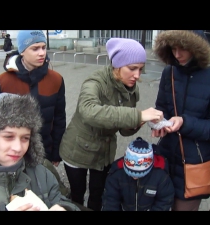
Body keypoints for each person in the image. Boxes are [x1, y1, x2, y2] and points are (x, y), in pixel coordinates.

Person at [59, 37, 164, 211]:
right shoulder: (95, 82)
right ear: (117, 65)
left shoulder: (131, 88)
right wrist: (137, 115)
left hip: (104, 152)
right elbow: (89, 110)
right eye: (132, 69)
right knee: (77, 195)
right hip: (77, 150)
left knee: (98, 194)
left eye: (140, 69)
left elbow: (124, 130)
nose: (137, 75)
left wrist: (141, 121)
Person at [0, 92, 71, 199]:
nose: (18, 148)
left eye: (25, 138)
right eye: (8, 137)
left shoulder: (44, 172)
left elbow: (62, 200)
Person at [151, 30, 210, 211]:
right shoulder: (169, 71)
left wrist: (185, 123)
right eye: (173, 49)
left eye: (183, 48)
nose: (177, 55)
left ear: (196, 47)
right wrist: (157, 123)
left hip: (195, 163)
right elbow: (161, 108)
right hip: (166, 157)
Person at [0, 30, 66, 169]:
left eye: (43, 47)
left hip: (45, 153)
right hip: (13, 155)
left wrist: (56, 151)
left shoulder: (56, 80)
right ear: (22, 51)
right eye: (35, 48)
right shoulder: (2, 82)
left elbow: (59, 118)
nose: (42, 53)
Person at [102, 137, 174, 211]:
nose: (134, 177)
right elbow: (110, 200)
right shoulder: (117, 174)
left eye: (139, 174)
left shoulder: (160, 176)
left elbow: (165, 199)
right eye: (130, 173)